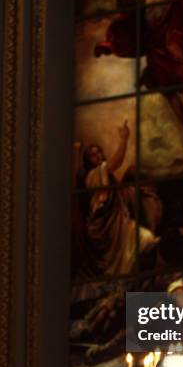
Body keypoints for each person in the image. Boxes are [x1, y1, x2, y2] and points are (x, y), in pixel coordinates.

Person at [72, 119, 157, 279]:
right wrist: (124, 138)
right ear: (88, 162)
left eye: (99, 152)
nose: (97, 156)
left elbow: (124, 193)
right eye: (92, 155)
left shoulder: (108, 176)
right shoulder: (93, 176)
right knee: (144, 242)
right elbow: (117, 161)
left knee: (147, 240)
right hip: (108, 234)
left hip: (120, 226)